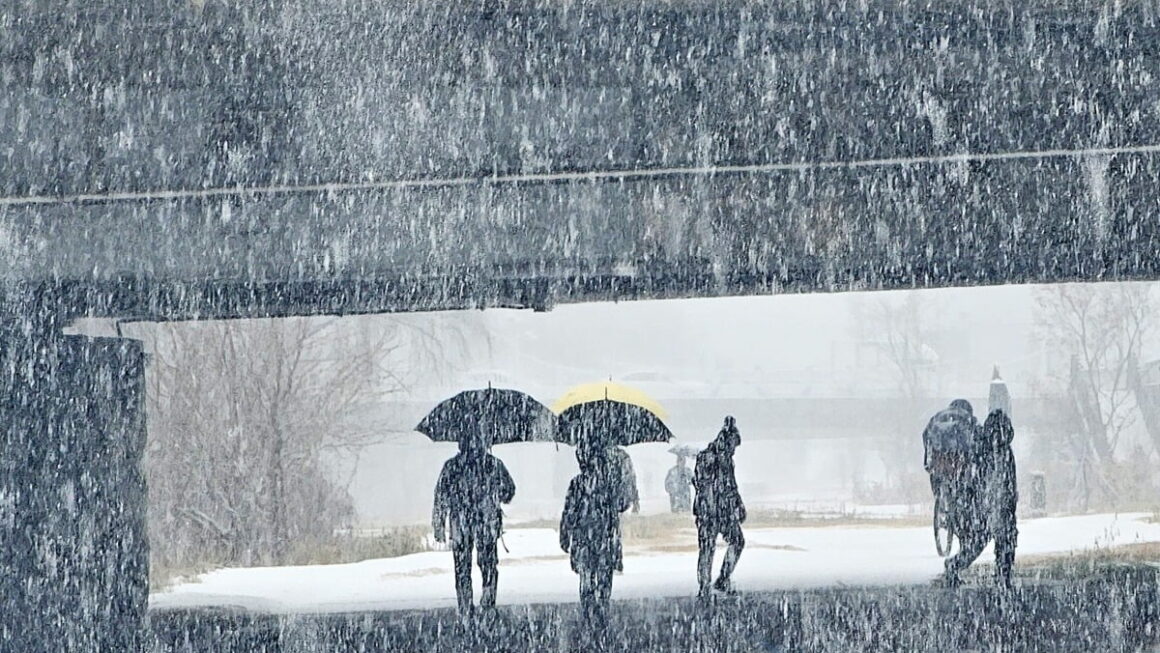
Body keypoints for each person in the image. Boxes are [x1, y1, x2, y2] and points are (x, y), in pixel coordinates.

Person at [431, 429, 515, 616]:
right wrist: (496, 494)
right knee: (488, 565)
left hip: (461, 524)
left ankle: (465, 605)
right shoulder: (493, 464)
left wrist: (439, 523)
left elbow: (441, 496)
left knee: (462, 567)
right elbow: (509, 492)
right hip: (486, 522)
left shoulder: (452, 466)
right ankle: (488, 602)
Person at [560, 441, 633, 632]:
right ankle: (600, 611)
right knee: (603, 577)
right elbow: (623, 505)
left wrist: (565, 534)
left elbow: (569, 512)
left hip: (585, 538)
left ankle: (589, 612)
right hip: (604, 538)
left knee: (587, 576)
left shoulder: (577, 484)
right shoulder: (608, 483)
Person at [693, 416, 746, 600]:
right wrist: (735, 504)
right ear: (728, 441)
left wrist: (737, 503)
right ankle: (713, 582)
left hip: (713, 511)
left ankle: (711, 583)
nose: (734, 450)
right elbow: (723, 486)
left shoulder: (713, 458)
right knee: (724, 544)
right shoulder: (716, 458)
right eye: (733, 446)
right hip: (716, 511)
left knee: (711, 547)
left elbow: (728, 485)